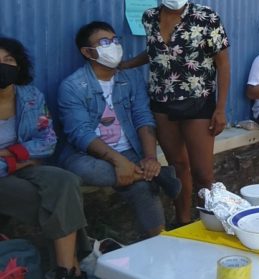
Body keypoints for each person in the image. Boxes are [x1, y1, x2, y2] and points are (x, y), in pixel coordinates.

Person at [121, 0, 231, 227]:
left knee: (203, 173)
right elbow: (155, 53)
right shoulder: (149, 17)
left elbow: (223, 64)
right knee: (177, 167)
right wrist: (125, 65)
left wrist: (220, 108)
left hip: (199, 104)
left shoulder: (206, 17)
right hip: (161, 104)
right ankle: (182, 220)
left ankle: (212, 223)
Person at [58, 22, 181, 238]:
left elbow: (143, 116)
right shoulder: (73, 86)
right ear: (87, 52)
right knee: (86, 170)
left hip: (129, 151)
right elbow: (80, 133)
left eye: (115, 40)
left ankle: (158, 242)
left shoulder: (130, 78)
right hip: (87, 155)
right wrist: (118, 161)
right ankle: (158, 175)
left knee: (143, 188)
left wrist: (151, 157)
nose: (113, 45)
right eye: (104, 42)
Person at [0, 37, 94, 279]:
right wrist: (13, 164)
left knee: (66, 180)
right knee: (49, 202)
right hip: (13, 170)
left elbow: (48, 140)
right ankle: (71, 269)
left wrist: (12, 155)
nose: (3, 66)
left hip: (24, 164)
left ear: (19, 65)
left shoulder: (30, 96)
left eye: (9, 60)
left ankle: (63, 272)